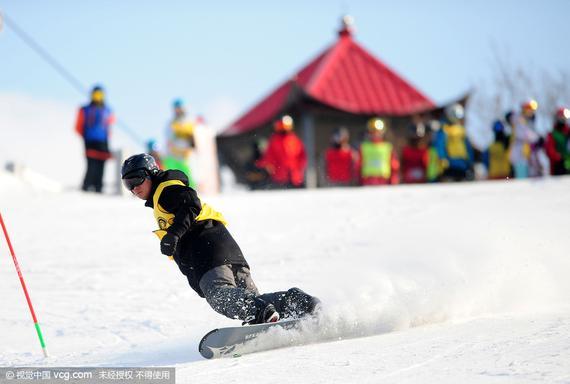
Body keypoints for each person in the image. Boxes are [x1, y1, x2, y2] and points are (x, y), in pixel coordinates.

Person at [121, 153, 320, 324]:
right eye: (127, 183)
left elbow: (191, 204)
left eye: (136, 179)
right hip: (226, 247)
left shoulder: (165, 189)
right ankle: (298, 302)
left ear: (151, 174)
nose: (133, 188)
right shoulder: (162, 194)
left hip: (207, 250)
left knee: (220, 297)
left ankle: (261, 312)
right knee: (253, 300)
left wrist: (173, 234)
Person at [75, 85, 115, 193]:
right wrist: (86, 137)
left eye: (99, 95)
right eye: (95, 95)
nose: (97, 97)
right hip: (90, 141)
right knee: (91, 164)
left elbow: (109, 126)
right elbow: (78, 126)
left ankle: (98, 187)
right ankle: (87, 185)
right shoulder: (84, 110)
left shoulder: (107, 110)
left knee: (101, 164)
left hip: (103, 141)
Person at [256, 115, 307, 188]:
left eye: (285, 126)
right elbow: (269, 157)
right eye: (281, 126)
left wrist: (298, 169)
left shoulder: (294, 140)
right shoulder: (274, 140)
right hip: (279, 178)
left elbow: (302, 156)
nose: (284, 128)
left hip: (295, 178)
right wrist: (262, 165)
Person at [435, 103, 474, 182]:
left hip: (463, 164)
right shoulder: (444, 129)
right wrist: (443, 159)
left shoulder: (462, 130)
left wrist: (470, 161)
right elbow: (440, 145)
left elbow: (467, 147)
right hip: (450, 164)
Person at [163, 99, 196, 187]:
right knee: (172, 178)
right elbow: (169, 139)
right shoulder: (171, 123)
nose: (178, 110)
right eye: (176, 108)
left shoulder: (189, 122)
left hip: (185, 156)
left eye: (180, 108)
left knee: (188, 177)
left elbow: (195, 137)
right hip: (172, 155)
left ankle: (193, 193)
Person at [359, 117, 399, 185]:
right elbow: (359, 164)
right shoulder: (364, 147)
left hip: (384, 180)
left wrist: (394, 179)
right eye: (373, 132)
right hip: (368, 181)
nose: (375, 134)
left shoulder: (388, 147)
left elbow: (394, 165)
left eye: (377, 132)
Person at [401, 119, 429, 184]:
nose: (416, 141)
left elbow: (427, 166)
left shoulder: (425, 151)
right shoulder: (406, 151)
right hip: (408, 182)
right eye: (414, 139)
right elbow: (402, 166)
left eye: (417, 139)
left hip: (422, 183)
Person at [545, 107, 570, 176]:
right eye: (561, 117)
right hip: (557, 167)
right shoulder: (552, 134)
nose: (563, 119)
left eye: (564, 117)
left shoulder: (568, 133)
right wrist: (559, 157)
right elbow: (549, 150)